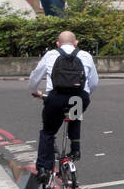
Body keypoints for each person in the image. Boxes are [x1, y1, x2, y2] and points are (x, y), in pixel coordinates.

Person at [29, 30, 99, 179]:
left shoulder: (51, 55)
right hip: (79, 97)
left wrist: (35, 91)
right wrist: (84, 95)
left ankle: (43, 168)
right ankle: (75, 150)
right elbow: (94, 83)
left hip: (56, 99)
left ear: (57, 44)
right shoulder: (86, 55)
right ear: (76, 43)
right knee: (75, 117)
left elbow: (35, 77)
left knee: (48, 132)